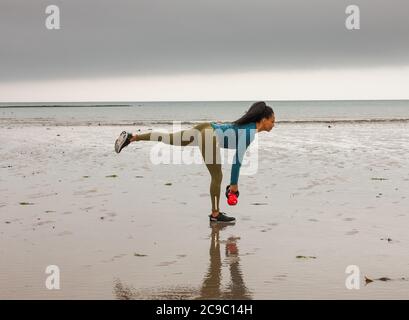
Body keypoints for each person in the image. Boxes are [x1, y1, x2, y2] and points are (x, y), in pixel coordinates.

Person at [114, 101, 275, 223]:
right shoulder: (250, 132)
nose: (273, 124)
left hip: (206, 127)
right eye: (272, 121)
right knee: (217, 177)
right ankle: (215, 214)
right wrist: (234, 185)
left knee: (169, 138)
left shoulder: (246, 125)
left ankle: (133, 137)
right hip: (209, 136)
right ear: (264, 119)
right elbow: (237, 160)